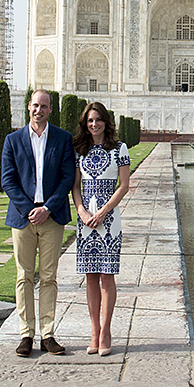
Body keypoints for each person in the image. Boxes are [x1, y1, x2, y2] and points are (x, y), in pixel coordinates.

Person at [1, 89, 76, 357]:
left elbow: (67, 178)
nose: (39, 110)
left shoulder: (62, 138)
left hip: (51, 216)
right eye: (35, 105)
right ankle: (26, 334)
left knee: (48, 276)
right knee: (23, 276)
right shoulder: (13, 140)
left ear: (50, 109)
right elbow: (8, 179)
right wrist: (29, 209)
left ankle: (47, 334)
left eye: (44, 106)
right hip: (23, 217)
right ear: (28, 107)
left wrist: (47, 208)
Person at [71, 101, 130, 357]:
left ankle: (106, 331)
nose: (94, 124)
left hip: (109, 219)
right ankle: (94, 331)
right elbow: (75, 186)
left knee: (107, 276)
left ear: (106, 121)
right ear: (85, 124)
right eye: (90, 121)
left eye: (98, 119)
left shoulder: (119, 149)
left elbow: (124, 186)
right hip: (85, 221)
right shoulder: (79, 150)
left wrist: (103, 212)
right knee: (90, 276)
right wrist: (82, 212)